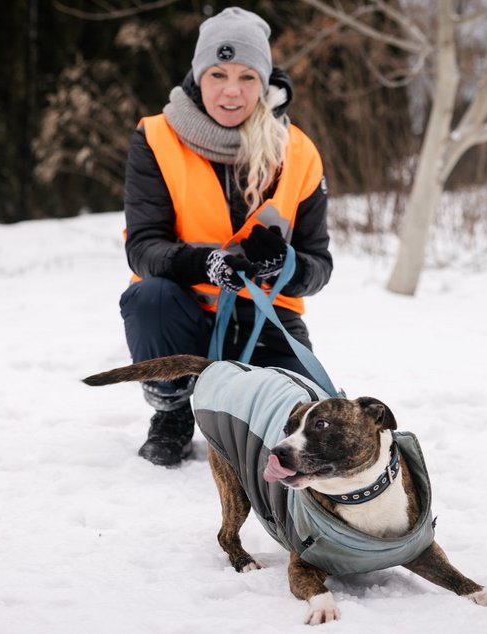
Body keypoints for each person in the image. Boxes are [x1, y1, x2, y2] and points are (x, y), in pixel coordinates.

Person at [120, 7, 333, 467]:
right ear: (199, 77)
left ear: (265, 82)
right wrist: (208, 264)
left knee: (305, 429)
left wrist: (282, 265)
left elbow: (319, 265)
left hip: (268, 319)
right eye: (218, 74)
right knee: (148, 298)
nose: (231, 91)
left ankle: (246, 406)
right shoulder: (156, 137)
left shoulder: (298, 151)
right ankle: (173, 410)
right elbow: (143, 247)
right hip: (187, 313)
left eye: (246, 76)